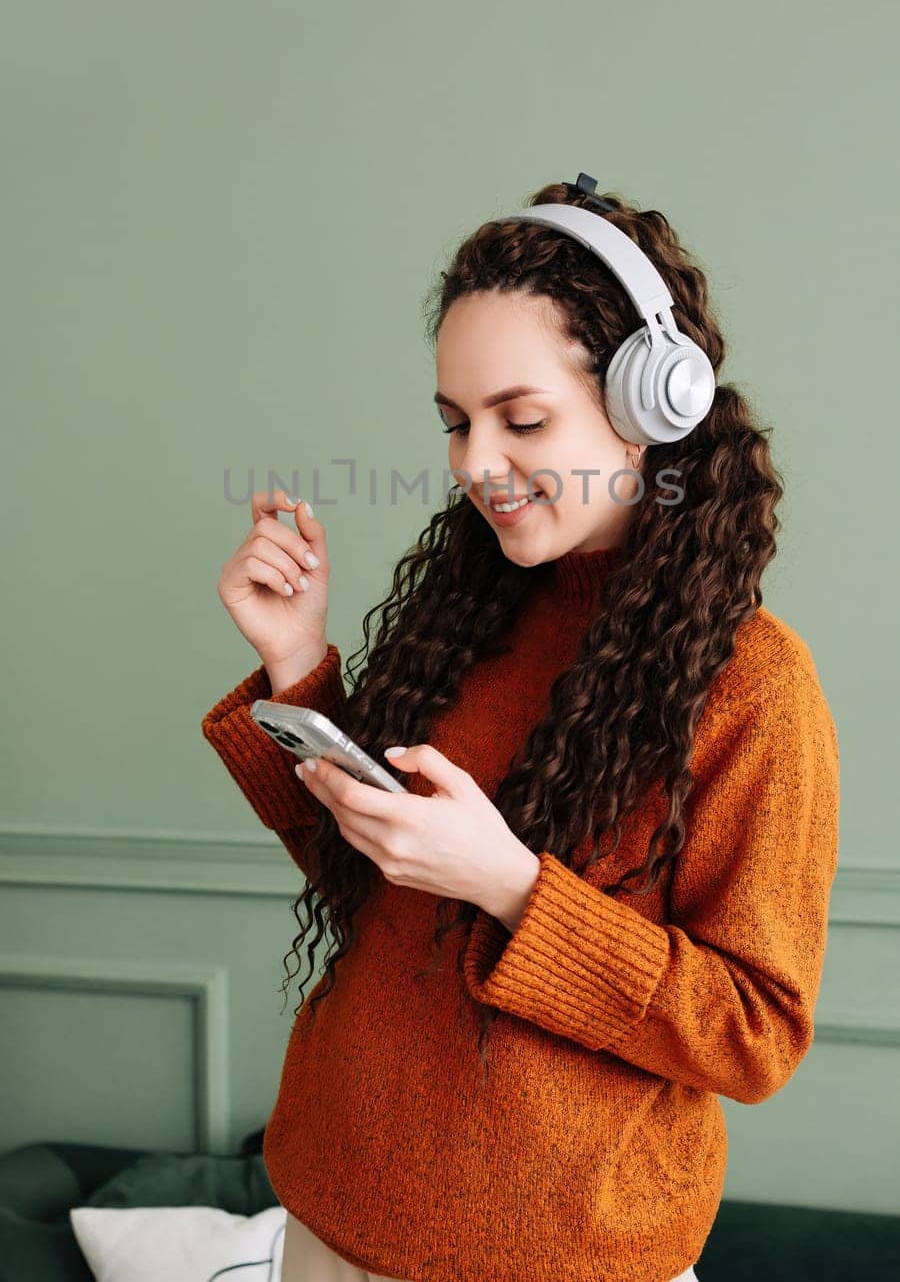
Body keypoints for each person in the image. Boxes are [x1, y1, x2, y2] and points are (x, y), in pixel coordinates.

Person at [201, 177, 840, 1282]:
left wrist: (511, 886)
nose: (473, 463)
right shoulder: (475, 607)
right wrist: (297, 664)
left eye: (521, 418)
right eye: (455, 422)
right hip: (327, 1216)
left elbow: (754, 1030)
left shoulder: (754, 687)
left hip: (566, 1260)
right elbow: (378, 886)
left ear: (652, 405)